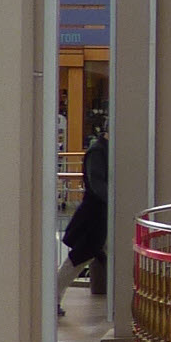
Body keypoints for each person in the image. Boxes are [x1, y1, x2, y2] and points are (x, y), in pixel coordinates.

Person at [58, 125, 108, 315]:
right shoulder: (98, 152)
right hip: (95, 218)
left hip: (97, 217)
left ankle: (53, 297)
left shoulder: (101, 151)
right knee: (76, 260)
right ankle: (53, 297)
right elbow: (98, 185)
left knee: (77, 260)